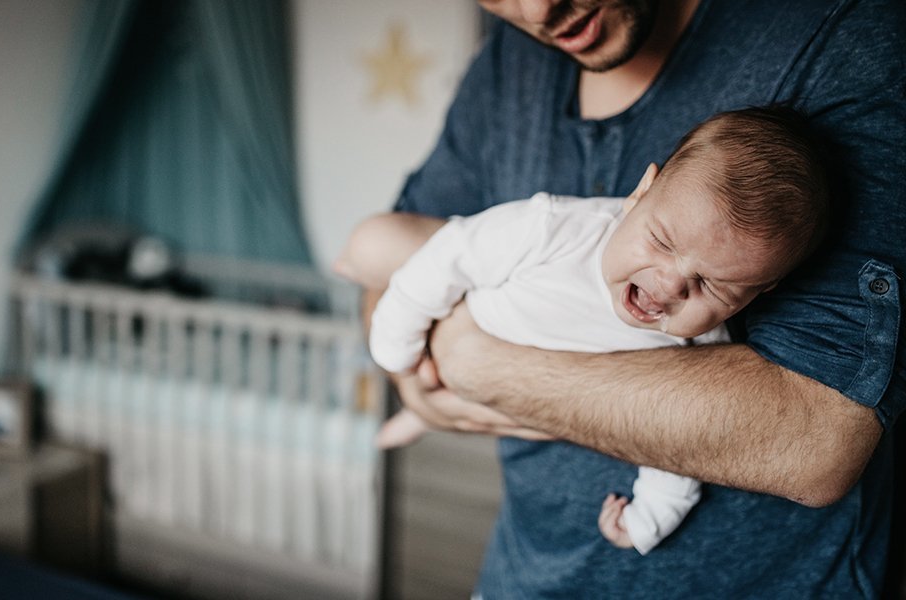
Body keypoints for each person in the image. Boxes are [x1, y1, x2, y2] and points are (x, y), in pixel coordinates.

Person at [361, 0, 906, 597]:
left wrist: (472, 360)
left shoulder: (847, 34)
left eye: (713, 287)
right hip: (523, 573)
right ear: (640, 194)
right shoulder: (511, 84)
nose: (539, 7)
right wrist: (409, 367)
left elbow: (816, 442)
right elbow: (407, 260)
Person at [340, 106, 830, 554]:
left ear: (757, 294)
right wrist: (396, 346)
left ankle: (425, 411)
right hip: (474, 314)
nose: (668, 285)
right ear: (639, 195)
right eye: (660, 240)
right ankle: (422, 406)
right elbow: (452, 255)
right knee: (382, 246)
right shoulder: (557, 227)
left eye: (712, 286)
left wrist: (650, 517)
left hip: (522, 393)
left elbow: (676, 438)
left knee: (480, 399)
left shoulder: (698, 346)